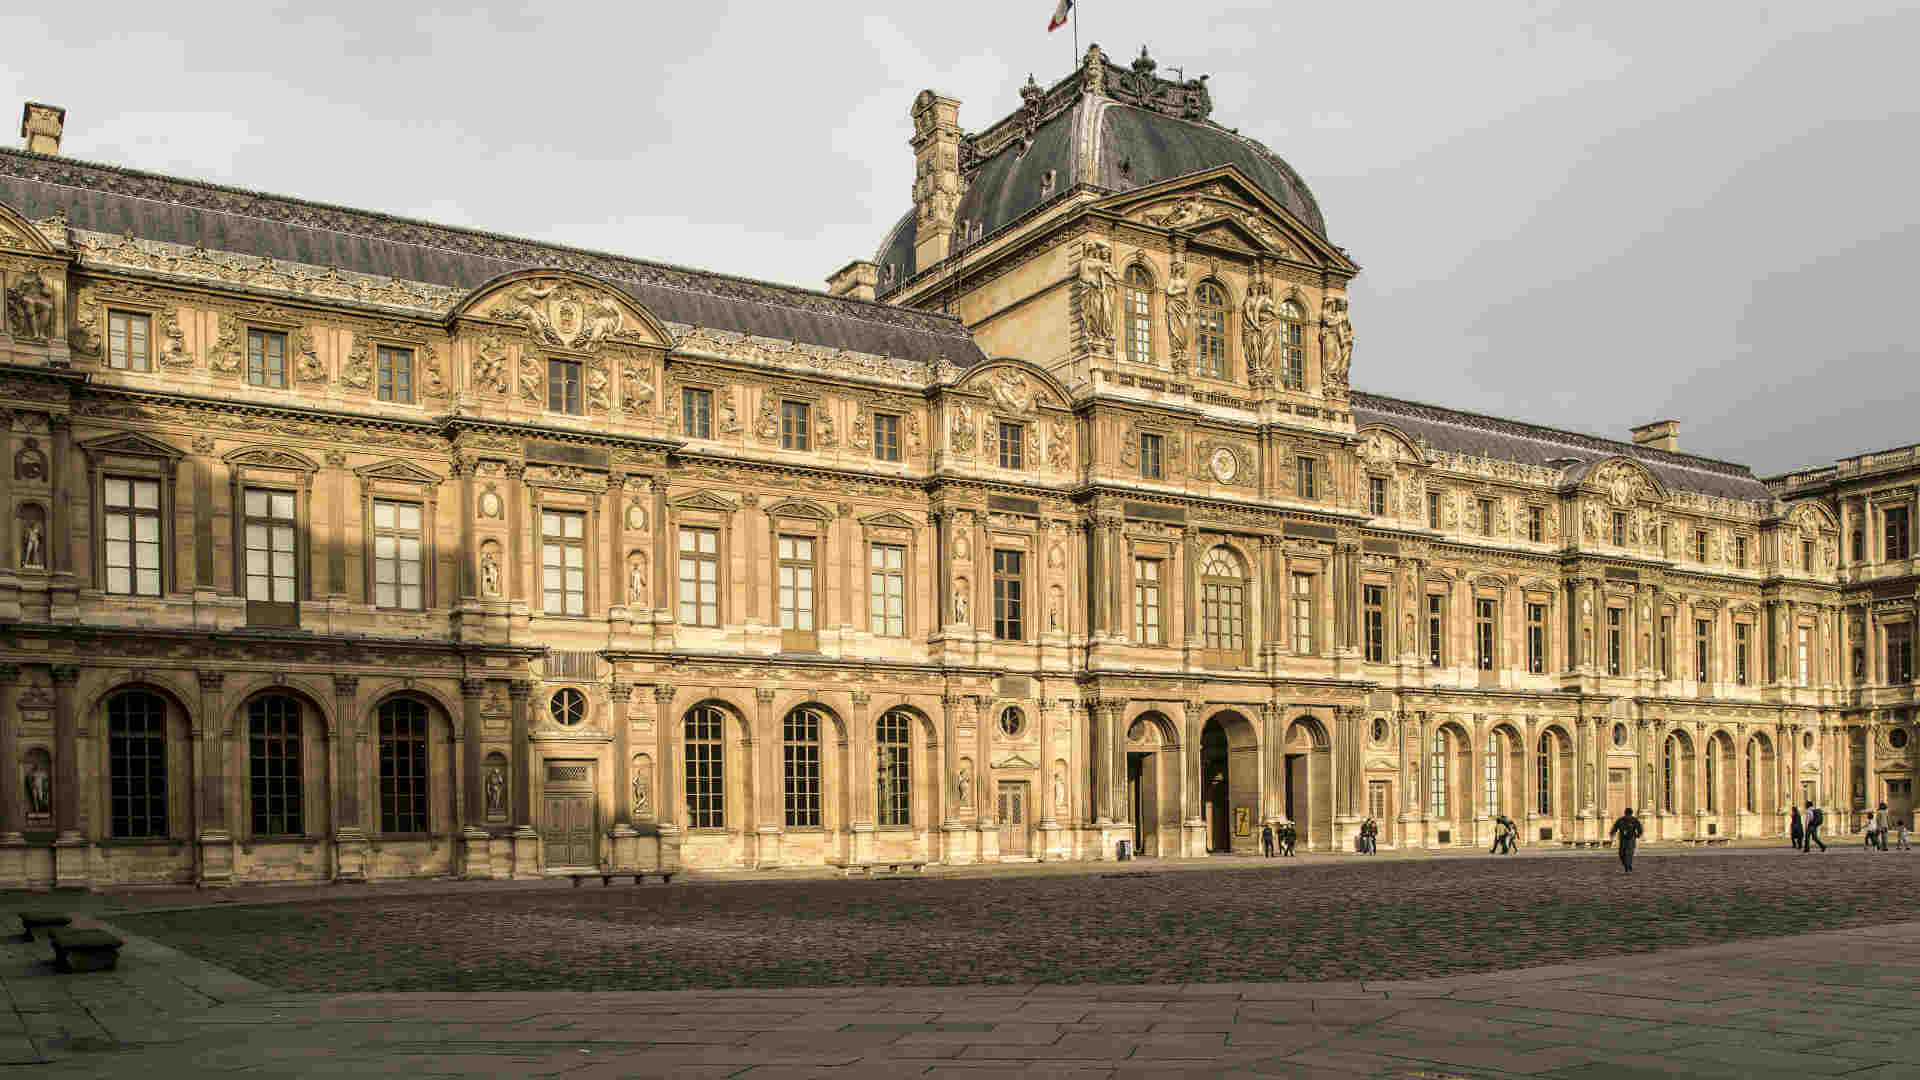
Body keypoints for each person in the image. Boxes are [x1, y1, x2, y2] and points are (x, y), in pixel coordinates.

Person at [1609, 807, 1643, 873]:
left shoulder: (1634, 820)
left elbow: (1639, 828)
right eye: (1627, 814)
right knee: (1621, 853)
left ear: (1631, 814)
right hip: (1623, 839)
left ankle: (1627, 867)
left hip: (1631, 839)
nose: (1627, 816)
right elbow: (1615, 827)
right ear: (1625, 814)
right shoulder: (1621, 820)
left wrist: (1638, 835)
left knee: (1629, 853)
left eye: (1629, 814)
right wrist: (1612, 833)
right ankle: (1627, 866)